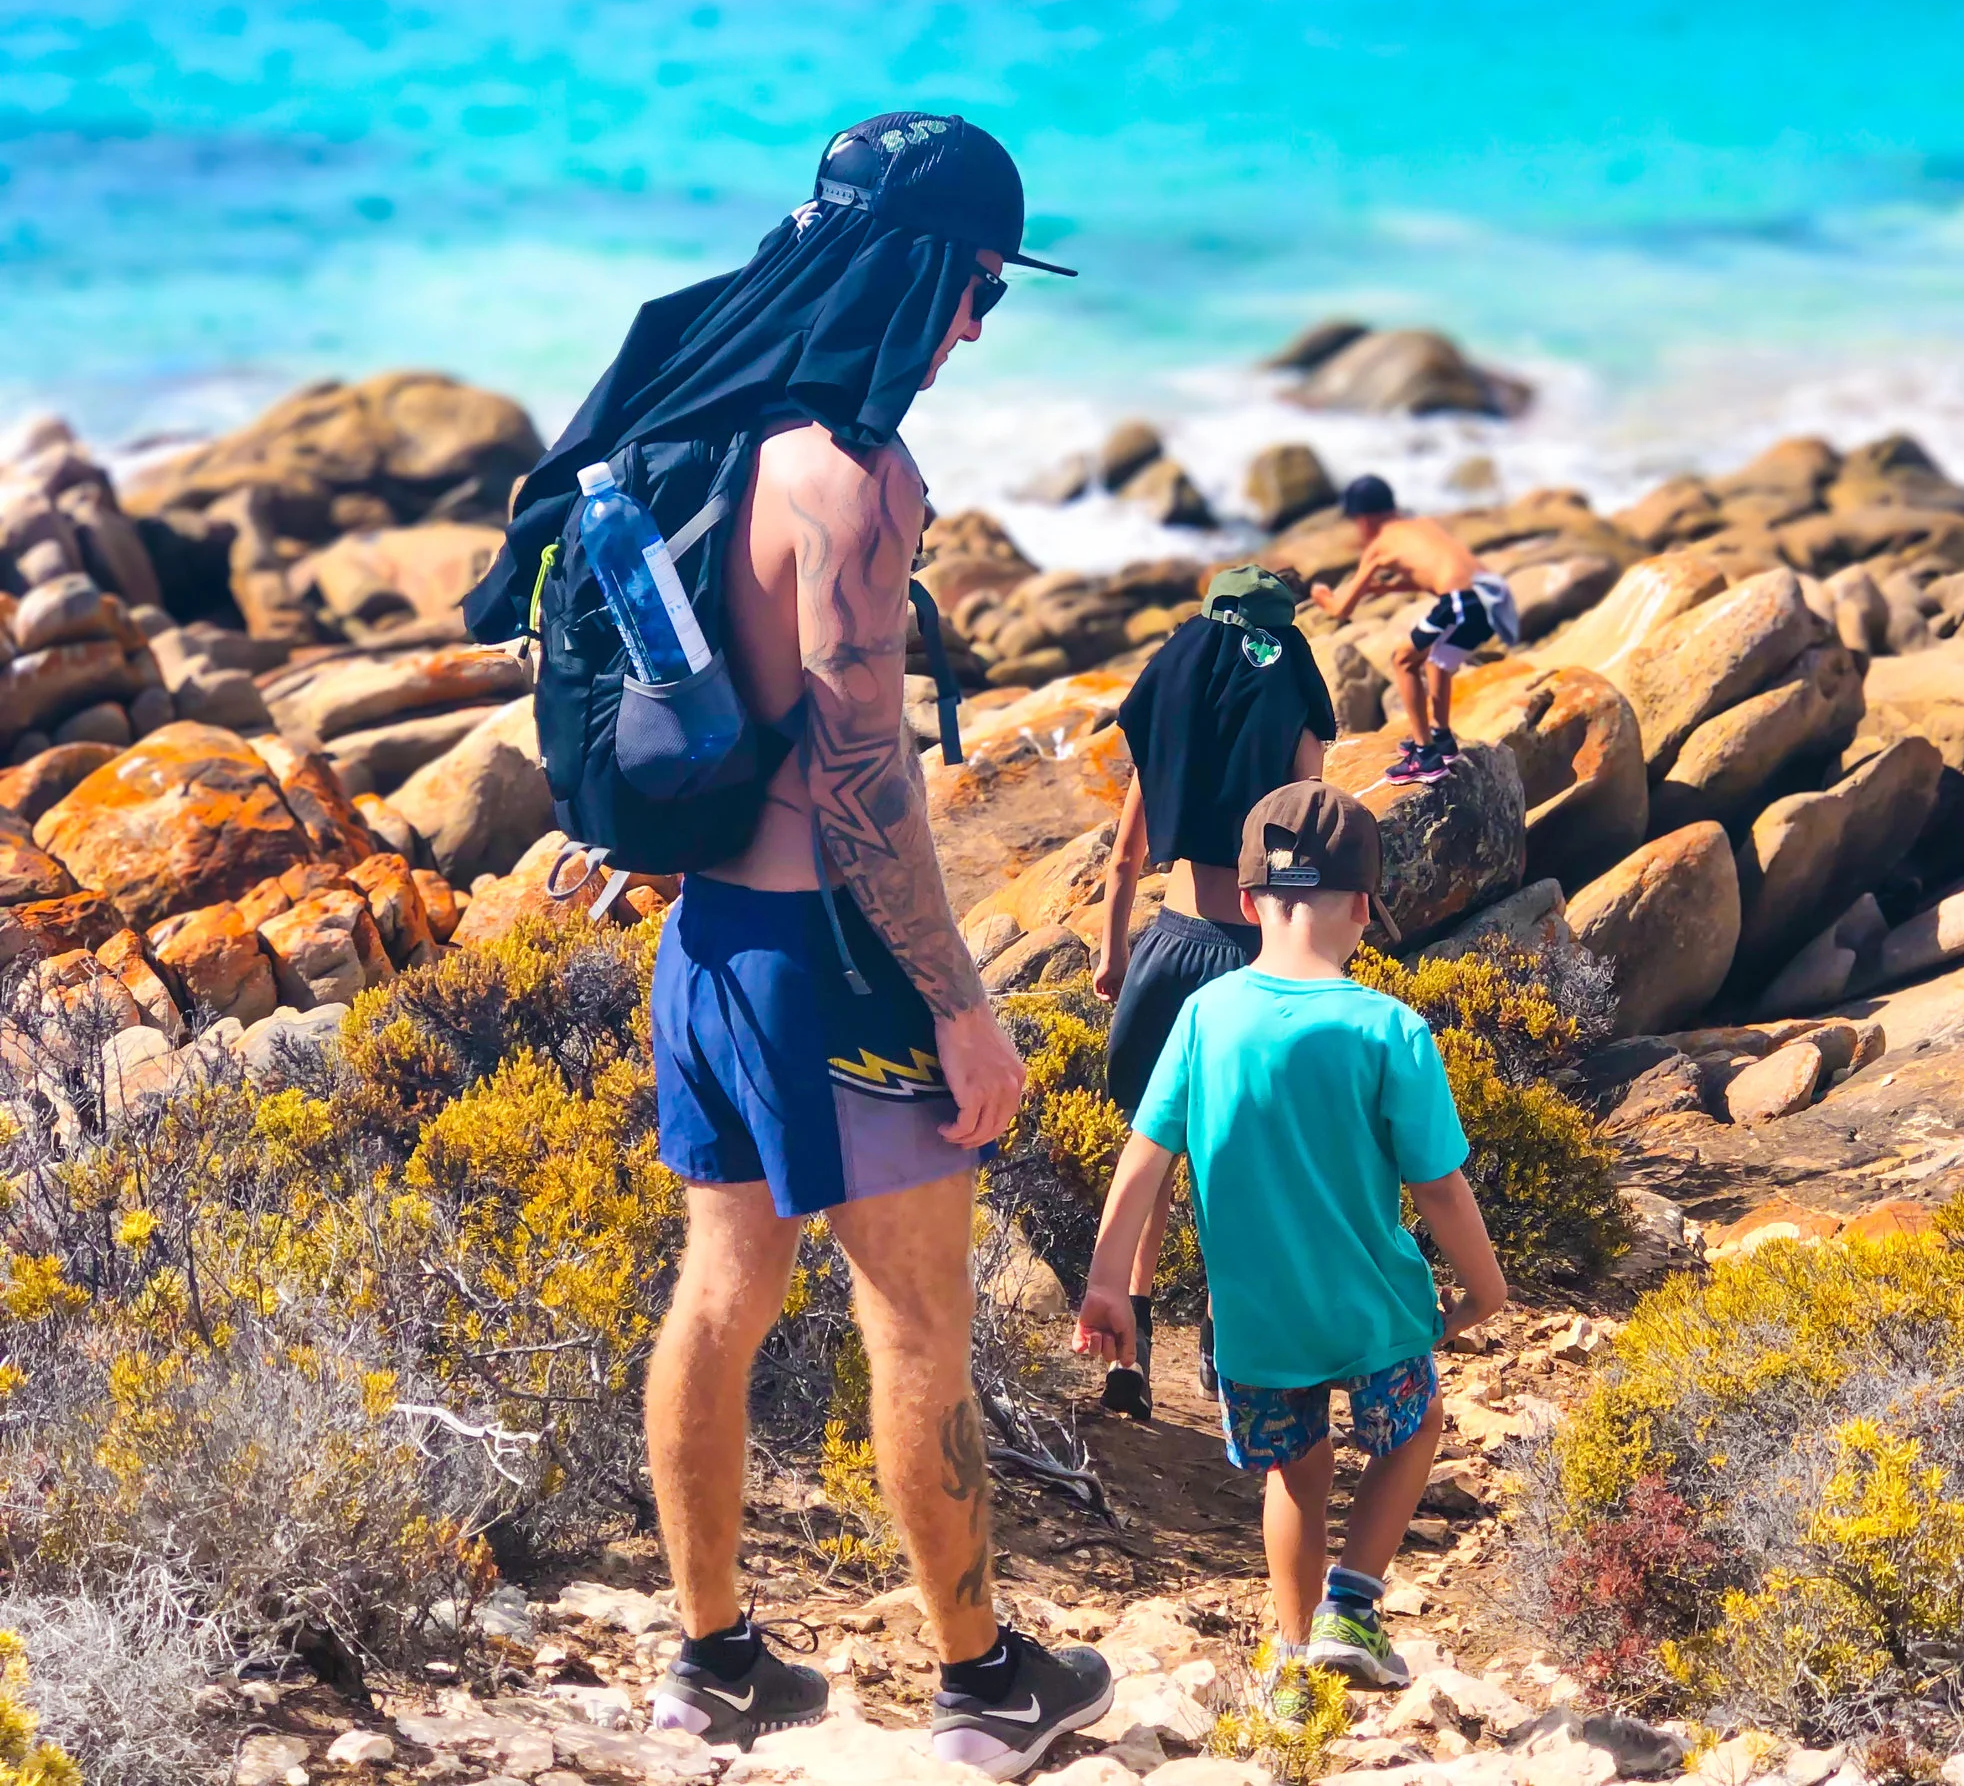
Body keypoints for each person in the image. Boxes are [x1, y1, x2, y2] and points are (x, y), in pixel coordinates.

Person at [530, 113, 1112, 1778]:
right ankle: (986, 1685)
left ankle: (711, 1666)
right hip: (826, 962)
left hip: (704, 947)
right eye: (981, 286)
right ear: (924, 269)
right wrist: (964, 1007)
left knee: (720, 1291)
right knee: (919, 1324)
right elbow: (865, 790)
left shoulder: (695, 429)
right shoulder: (851, 482)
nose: (979, 327)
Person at [1071, 782, 1508, 1698]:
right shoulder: (1391, 1027)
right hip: (1373, 1310)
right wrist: (1483, 1287)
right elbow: (1439, 1187)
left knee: (1296, 1474)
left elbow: (1145, 1155)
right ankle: (1354, 1602)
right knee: (1415, 1421)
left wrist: (1110, 1279)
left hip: (1257, 1329)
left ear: (1244, 900)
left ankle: (1293, 1648)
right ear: (1361, 906)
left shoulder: (1204, 1017)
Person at [1091, 564, 1337, 1419]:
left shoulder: (1175, 696)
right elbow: (1314, 836)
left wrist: (1113, 955)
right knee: (1242, 1162)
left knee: (1152, 1152)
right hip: (1254, 956)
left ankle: (1132, 1351)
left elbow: (1126, 857)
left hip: (1170, 945)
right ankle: (1230, 1352)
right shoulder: (1292, 693)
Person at [1308, 475, 1518, 785]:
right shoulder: (1422, 526)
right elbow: (1432, 575)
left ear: (1364, 520)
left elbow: (1342, 610)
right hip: (1491, 596)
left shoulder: (1379, 546)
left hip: (1463, 600)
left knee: (1403, 660)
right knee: (1437, 662)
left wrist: (1320, 595)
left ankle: (1426, 757)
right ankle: (1442, 739)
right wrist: (1384, 589)